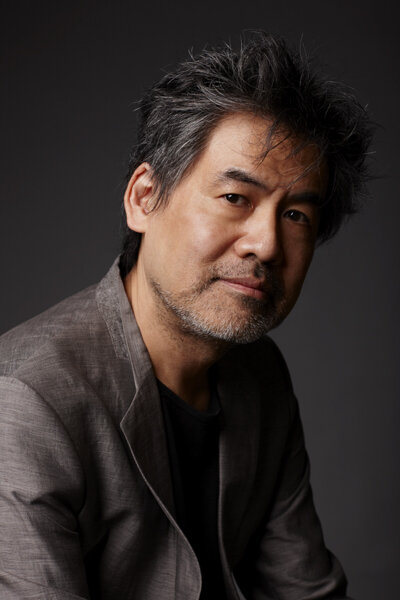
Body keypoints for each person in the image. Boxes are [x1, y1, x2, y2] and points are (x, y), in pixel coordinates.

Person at [0, 33, 372, 599]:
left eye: (296, 214)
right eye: (235, 198)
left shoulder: (260, 374)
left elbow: (307, 590)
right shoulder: (24, 402)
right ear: (144, 197)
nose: (267, 244)